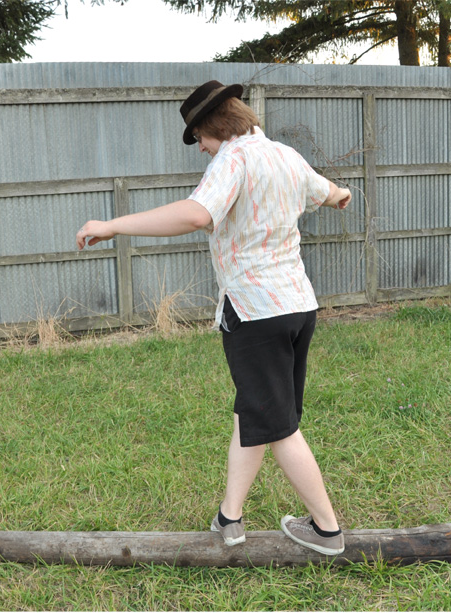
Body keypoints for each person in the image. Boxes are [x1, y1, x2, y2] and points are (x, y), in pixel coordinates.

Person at [76, 80, 351, 555]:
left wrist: (113, 225)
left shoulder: (233, 159)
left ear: (214, 127)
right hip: (297, 308)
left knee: (281, 426)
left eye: (199, 137)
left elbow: (197, 214)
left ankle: (327, 530)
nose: (201, 148)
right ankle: (230, 516)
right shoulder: (285, 155)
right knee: (256, 411)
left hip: (257, 312)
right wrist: (342, 193)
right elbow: (330, 192)